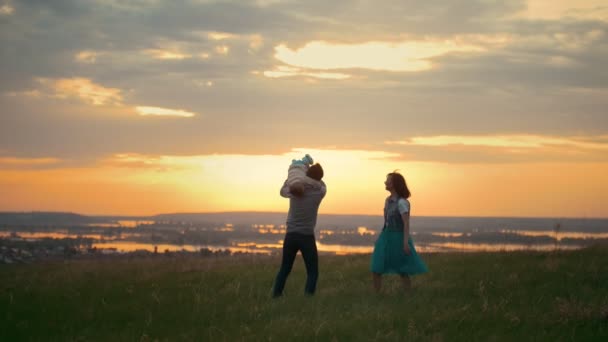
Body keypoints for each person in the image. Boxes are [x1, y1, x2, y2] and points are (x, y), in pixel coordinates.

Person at [272, 162, 326, 297]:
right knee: (312, 271)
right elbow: (322, 183)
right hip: (306, 236)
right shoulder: (320, 191)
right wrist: (308, 174)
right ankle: (308, 298)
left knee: (285, 268)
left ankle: (276, 295)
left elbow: (284, 188)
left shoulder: (294, 190)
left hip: (291, 235)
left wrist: (297, 174)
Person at [370, 172, 428, 293]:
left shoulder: (402, 202)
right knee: (377, 266)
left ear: (394, 184)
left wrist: (405, 242)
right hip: (386, 236)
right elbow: (386, 221)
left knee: (402, 270)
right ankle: (376, 295)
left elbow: (406, 223)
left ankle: (408, 294)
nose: (385, 182)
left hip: (399, 237)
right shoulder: (387, 200)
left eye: (388, 180)